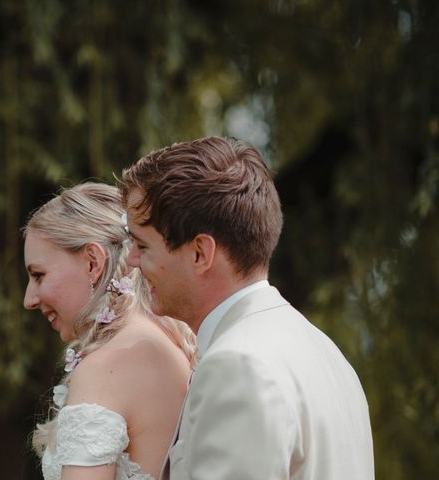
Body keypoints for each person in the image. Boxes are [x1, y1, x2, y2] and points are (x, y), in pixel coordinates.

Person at [121, 136, 374, 480]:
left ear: (200, 253)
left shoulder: (238, 365)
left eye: (141, 245)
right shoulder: (329, 355)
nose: (133, 261)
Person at [23, 183, 195, 480]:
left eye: (39, 275)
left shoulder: (106, 366)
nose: (29, 299)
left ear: (93, 262)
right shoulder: (166, 341)